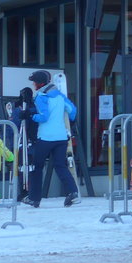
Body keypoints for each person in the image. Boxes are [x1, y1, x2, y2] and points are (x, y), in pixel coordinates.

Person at [21, 70, 81, 208]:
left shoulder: (41, 96)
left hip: (46, 137)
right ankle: (72, 192)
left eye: (34, 81)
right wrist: (69, 121)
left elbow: (44, 116)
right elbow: (72, 110)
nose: (33, 84)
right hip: (61, 137)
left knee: (37, 167)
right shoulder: (59, 95)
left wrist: (30, 116)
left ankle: (34, 198)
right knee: (60, 165)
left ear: (39, 83)